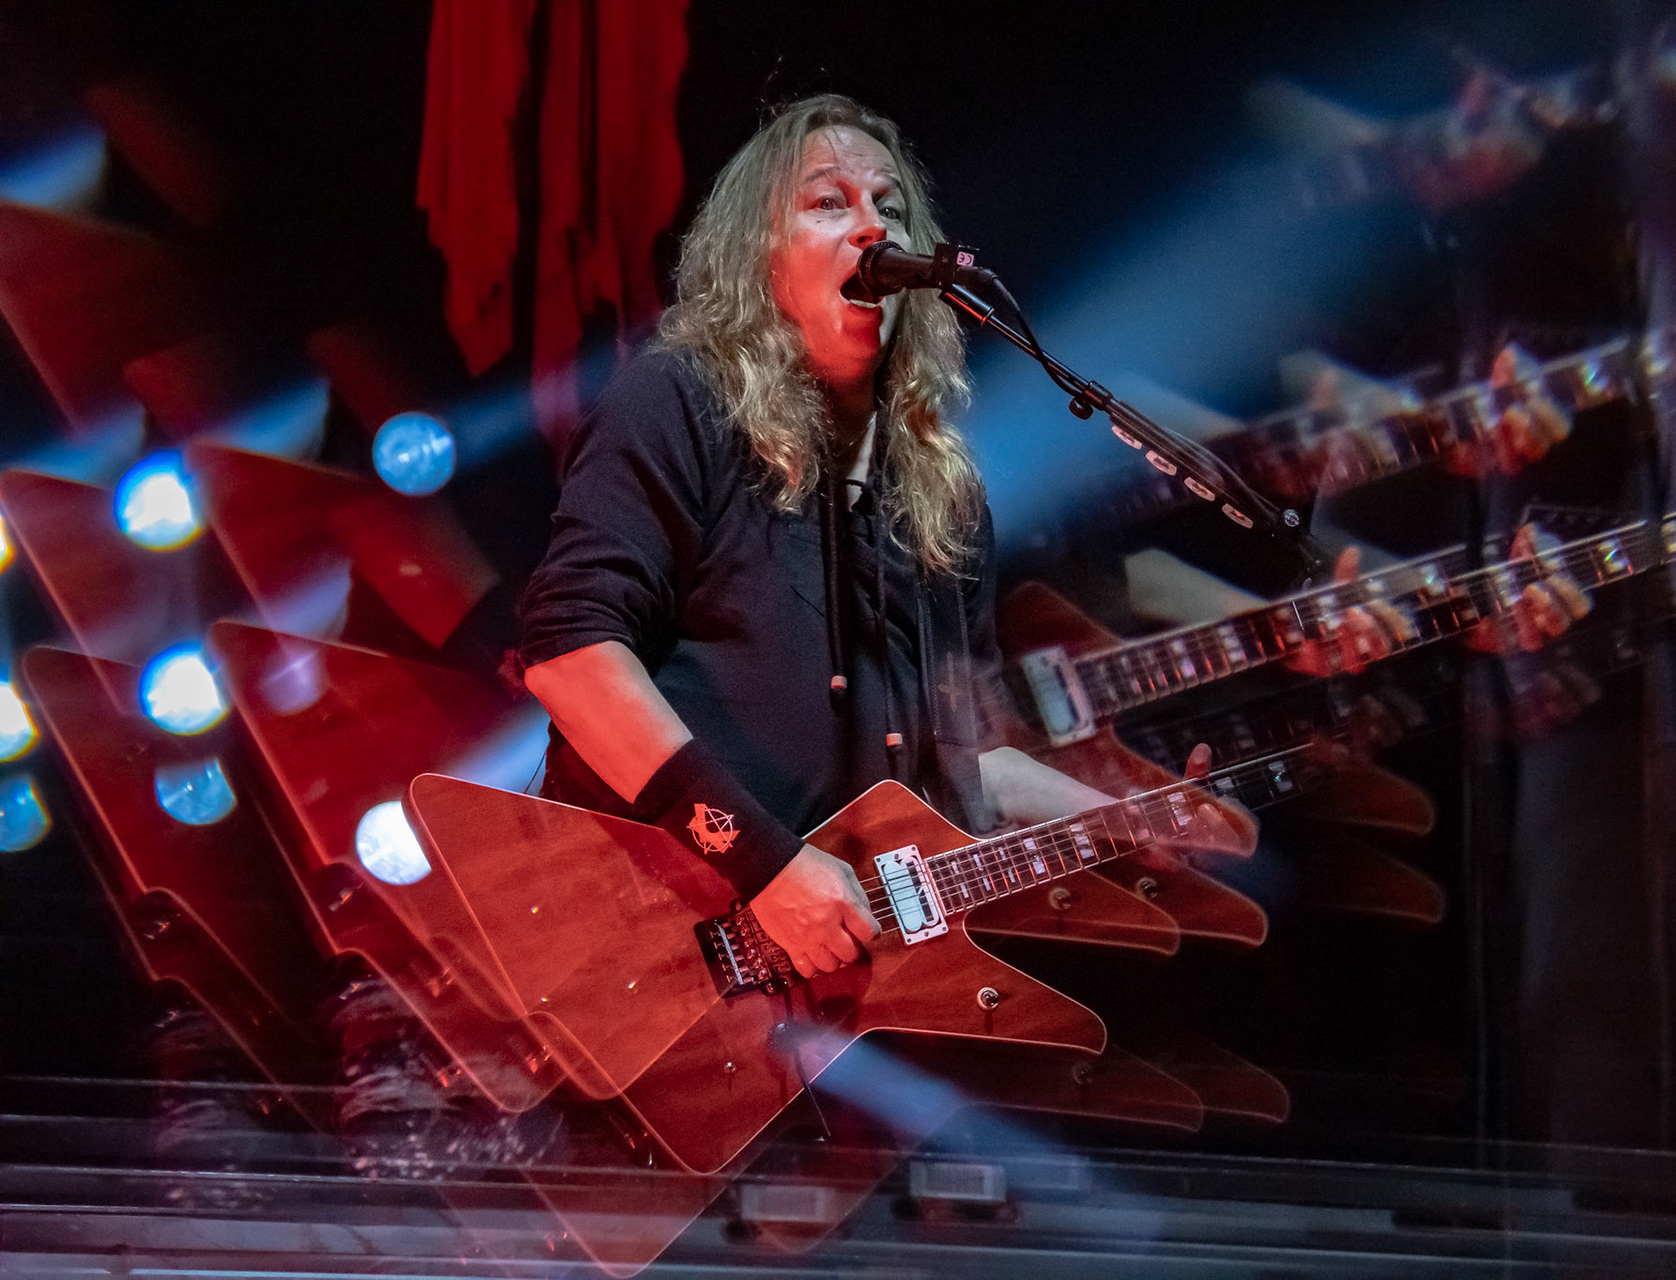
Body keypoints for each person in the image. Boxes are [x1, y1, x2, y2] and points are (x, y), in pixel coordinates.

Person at [513, 95, 1261, 983]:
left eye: (891, 207)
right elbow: (570, 655)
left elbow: (969, 763)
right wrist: (766, 866)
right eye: (829, 202)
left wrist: (1126, 820)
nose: (872, 227)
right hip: (636, 929)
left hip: (822, 985)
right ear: (758, 255)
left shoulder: (942, 493)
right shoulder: (677, 400)